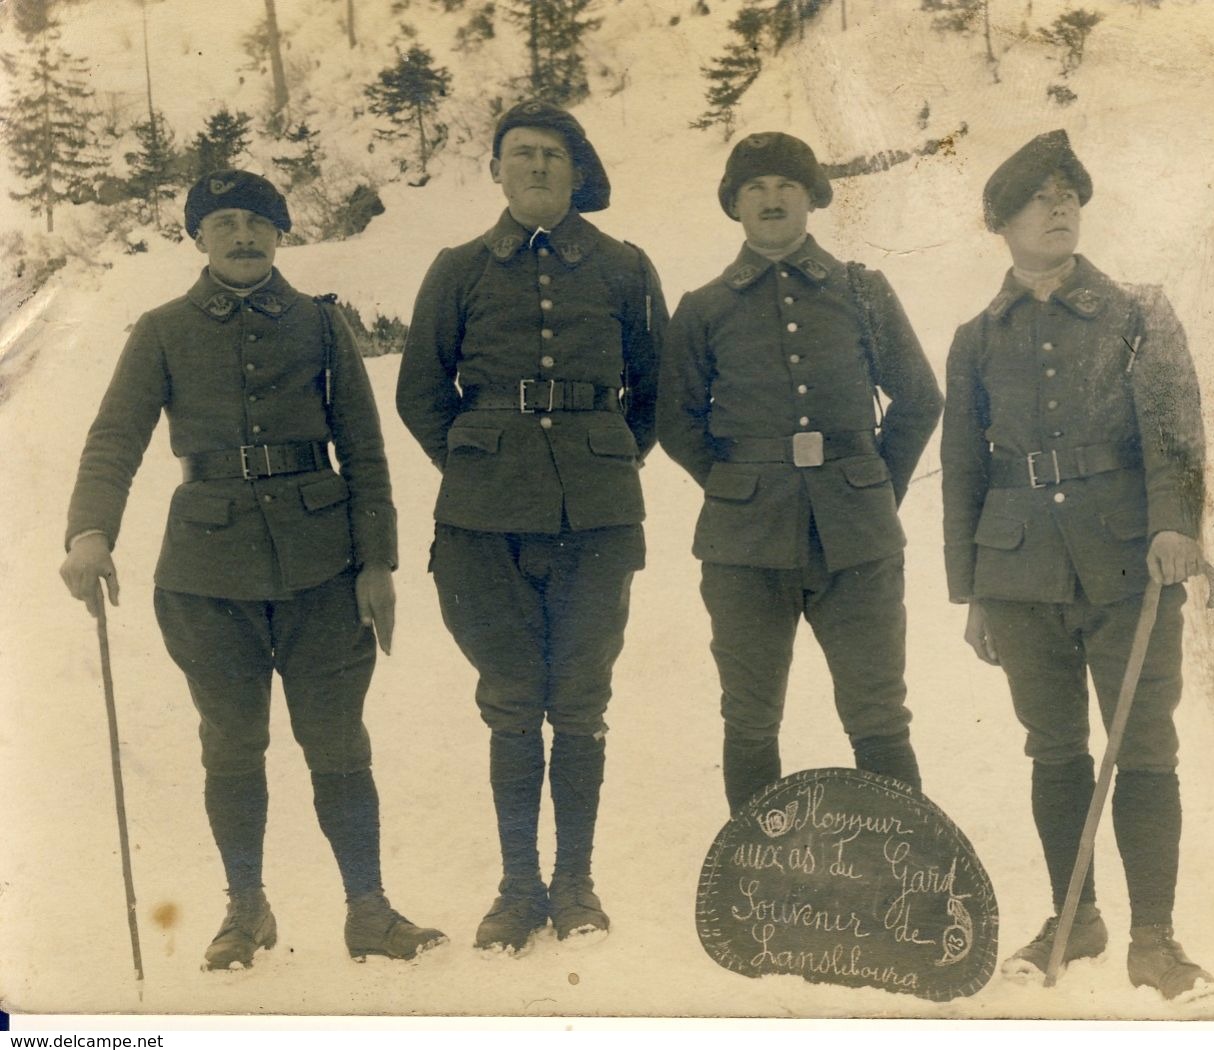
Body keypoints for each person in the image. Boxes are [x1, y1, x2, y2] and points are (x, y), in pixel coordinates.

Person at [59, 170, 444, 970]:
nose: (243, 237)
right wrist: (91, 532)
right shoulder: (161, 330)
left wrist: (377, 561)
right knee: (231, 745)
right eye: (226, 223)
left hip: (323, 571)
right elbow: (114, 438)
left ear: (280, 235)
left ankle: (368, 909)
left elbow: (366, 453)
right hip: (205, 578)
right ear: (198, 237)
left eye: (259, 224)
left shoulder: (321, 323)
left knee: (339, 742)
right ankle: (245, 909)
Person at [940, 130, 1214, 1000]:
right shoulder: (977, 336)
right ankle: (1074, 918)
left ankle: (1156, 940)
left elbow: (1175, 432)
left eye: (1068, 194)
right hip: (1018, 574)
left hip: (1129, 567)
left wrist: (1175, 526)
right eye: (1036, 198)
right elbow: (963, 469)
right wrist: (973, 591)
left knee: (1144, 748)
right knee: (1051, 750)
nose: (1057, 208)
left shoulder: (1138, 312)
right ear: (1000, 222)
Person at [397, 100, 666, 953]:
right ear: (497, 171)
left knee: (580, 703)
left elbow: (651, 396)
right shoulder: (457, 268)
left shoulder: (624, 267)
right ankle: (518, 890)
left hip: (594, 519)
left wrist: (601, 461)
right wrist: (481, 462)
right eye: (521, 154)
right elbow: (419, 393)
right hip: (483, 527)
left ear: (576, 171)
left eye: (553, 154)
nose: (538, 167)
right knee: (512, 706)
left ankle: (576, 884)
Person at [658, 132, 943, 813]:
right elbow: (674, 421)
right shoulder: (703, 308)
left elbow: (919, 398)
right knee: (750, 715)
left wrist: (872, 488)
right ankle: (759, 890)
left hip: (857, 542)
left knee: (878, 714)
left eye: (786, 184)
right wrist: (738, 487)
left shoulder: (861, 290)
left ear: (811, 198)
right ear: (734, 204)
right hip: (743, 549)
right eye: (753, 187)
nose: (771, 198)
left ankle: (902, 882)